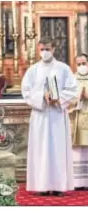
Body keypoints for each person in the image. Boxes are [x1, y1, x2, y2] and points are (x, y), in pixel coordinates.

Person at [21, 36, 78, 196]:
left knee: (58, 149)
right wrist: (42, 96)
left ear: (53, 49)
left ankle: (59, 185)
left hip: (57, 114)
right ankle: (42, 185)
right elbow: (26, 91)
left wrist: (59, 98)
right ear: (39, 50)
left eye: (47, 49)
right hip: (40, 115)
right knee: (41, 149)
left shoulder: (63, 68)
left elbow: (72, 89)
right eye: (42, 49)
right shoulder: (33, 70)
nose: (45, 52)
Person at [69, 53, 88, 190]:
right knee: (76, 148)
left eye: (84, 63)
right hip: (76, 117)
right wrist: (78, 98)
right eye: (79, 64)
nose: (81, 66)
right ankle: (76, 181)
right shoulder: (71, 80)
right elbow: (67, 98)